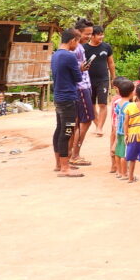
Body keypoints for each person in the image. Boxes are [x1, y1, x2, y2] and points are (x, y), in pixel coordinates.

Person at [49, 29, 83, 177]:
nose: (78, 45)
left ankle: (59, 163)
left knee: (60, 129)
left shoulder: (56, 54)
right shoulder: (70, 56)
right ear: (72, 40)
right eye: (78, 41)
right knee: (67, 131)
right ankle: (64, 167)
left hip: (58, 97)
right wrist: (80, 69)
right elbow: (77, 78)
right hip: (68, 98)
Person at [69, 19, 95, 165]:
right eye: (87, 34)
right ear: (78, 32)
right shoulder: (76, 48)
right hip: (81, 87)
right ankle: (75, 154)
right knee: (85, 121)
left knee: (78, 122)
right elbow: (73, 69)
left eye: (91, 34)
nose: (89, 37)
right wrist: (81, 68)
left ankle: (71, 153)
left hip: (84, 85)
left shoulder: (79, 47)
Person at [84, 25, 116, 137]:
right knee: (91, 104)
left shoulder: (106, 47)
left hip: (103, 79)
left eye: (102, 34)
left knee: (103, 103)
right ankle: (97, 124)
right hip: (88, 81)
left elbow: (111, 63)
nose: (102, 36)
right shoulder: (84, 48)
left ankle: (100, 127)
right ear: (92, 36)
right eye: (99, 34)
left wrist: (113, 78)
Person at [112, 79, 135, 179]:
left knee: (118, 151)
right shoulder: (129, 105)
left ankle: (118, 171)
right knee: (124, 154)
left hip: (119, 130)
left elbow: (117, 115)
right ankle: (124, 173)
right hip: (126, 131)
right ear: (131, 92)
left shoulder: (119, 103)